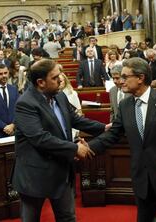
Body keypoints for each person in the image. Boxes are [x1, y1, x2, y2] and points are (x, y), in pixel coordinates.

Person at [87, 57, 156, 222]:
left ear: (140, 78)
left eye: (125, 77)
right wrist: (88, 147)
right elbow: (112, 134)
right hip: (141, 176)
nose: (120, 81)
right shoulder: (125, 105)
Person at [11, 59, 107, 222]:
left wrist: (104, 128)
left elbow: (76, 120)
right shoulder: (25, 103)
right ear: (41, 82)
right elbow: (40, 138)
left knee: (67, 218)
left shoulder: (59, 96)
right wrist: (74, 148)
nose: (61, 79)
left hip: (61, 171)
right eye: (55, 77)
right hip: (35, 175)